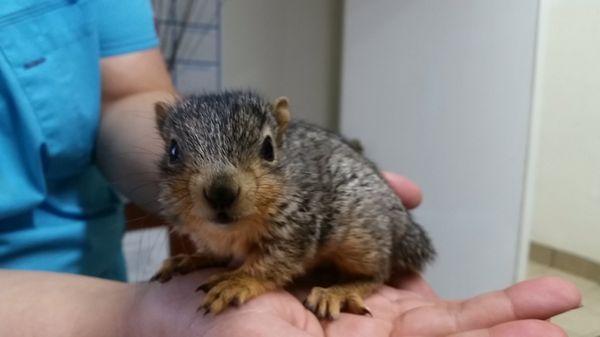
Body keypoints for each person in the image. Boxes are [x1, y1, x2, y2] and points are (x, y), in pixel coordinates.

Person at [0, 0, 580, 336]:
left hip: (92, 278)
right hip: (76, 306)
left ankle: (361, 278)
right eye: (180, 156)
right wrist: (131, 314)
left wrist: (252, 275)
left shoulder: (288, 196)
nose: (222, 187)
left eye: (261, 155)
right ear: (167, 143)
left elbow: (122, 90)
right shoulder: (183, 198)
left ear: (278, 133)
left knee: (355, 213)